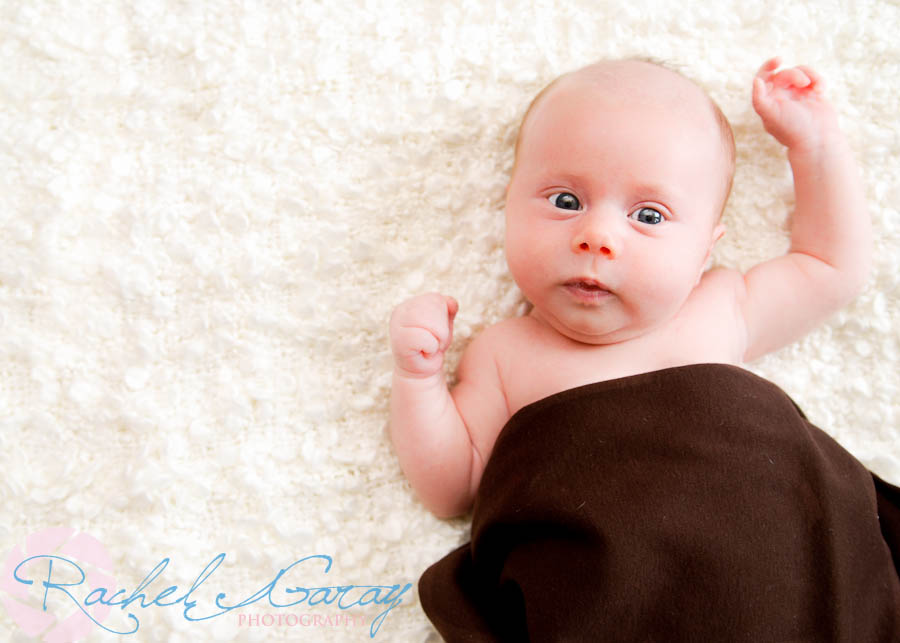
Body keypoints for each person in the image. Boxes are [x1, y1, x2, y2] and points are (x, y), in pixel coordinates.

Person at [390, 58, 899, 641]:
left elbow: (832, 266)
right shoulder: (506, 353)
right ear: (508, 205)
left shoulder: (720, 306)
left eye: (649, 215)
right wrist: (417, 382)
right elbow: (453, 485)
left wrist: (816, 147)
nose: (598, 237)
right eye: (564, 201)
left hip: (784, 580)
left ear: (705, 250)